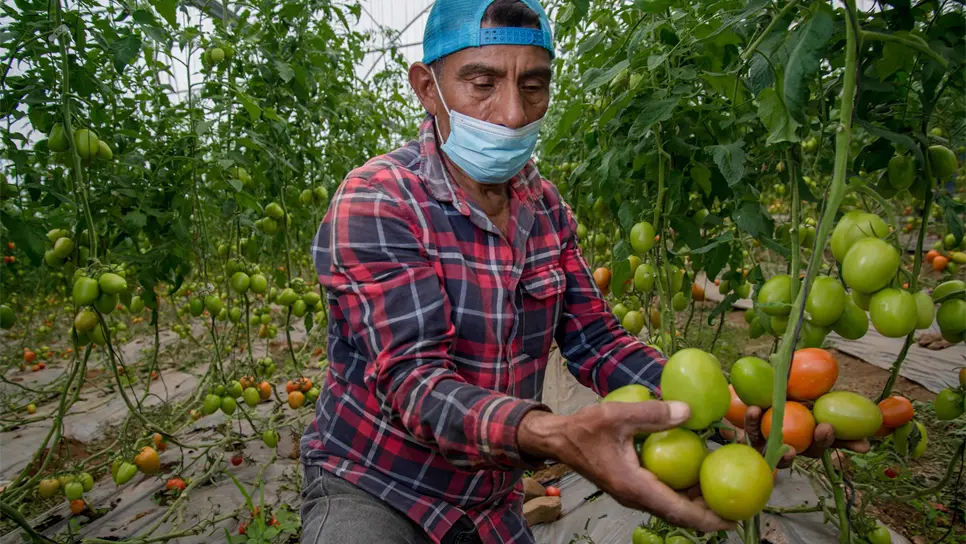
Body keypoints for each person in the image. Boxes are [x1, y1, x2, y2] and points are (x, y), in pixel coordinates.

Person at [299, 1, 867, 542]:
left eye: (533, 85)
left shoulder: (544, 206)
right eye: (482, 83)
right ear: (428, 88)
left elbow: (595, 341)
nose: (513, 113)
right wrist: (554, 434)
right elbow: (415, 383)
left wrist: (732, 413)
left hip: (490, 498)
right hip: (377, 484)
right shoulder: (379, 200)